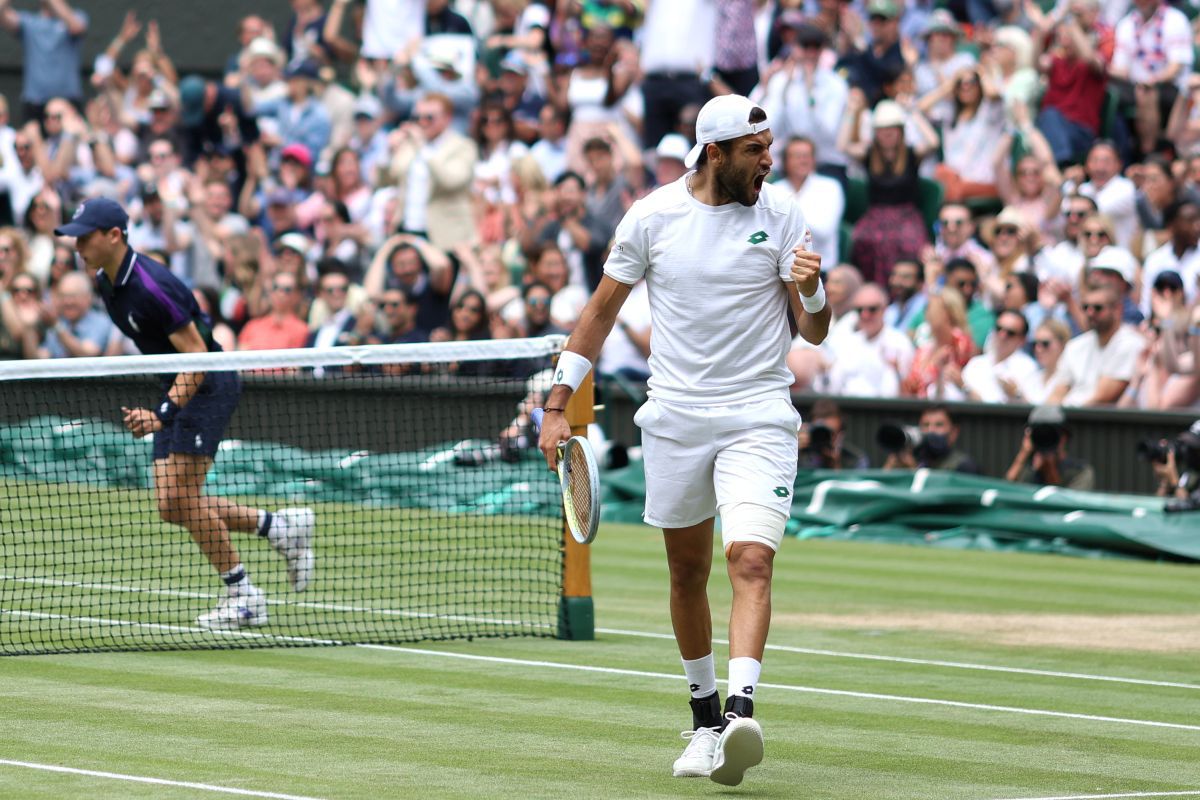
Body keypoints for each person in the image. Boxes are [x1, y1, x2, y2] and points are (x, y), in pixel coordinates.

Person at [537, 95, 830, 787]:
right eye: (755, 150)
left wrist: (815, 292)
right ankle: (704, 721)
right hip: (675, 418)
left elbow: (813, 331)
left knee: (751, 559)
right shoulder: (652, 217)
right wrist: (555, 403)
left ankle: (740, 713)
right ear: (715, 153)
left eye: (770, 147)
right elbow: (599, 314)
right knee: (686, 573)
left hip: (759, 414)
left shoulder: (783, 214)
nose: (769, 161)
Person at [55, 198, 315, 629]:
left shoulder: (152, 287)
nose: (77, 245)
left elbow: (197, 357)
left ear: (114, 236)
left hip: (207, 383)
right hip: (176, 385)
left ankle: (245, 595)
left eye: (85, 237)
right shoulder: (105, 282)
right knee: (170, 505)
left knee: (180, 499)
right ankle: (279, 528)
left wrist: (162, 413)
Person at [1005, 404, 1096, 490]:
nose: (1045, 438)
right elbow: (1006, 492)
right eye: (1040, 434)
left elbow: (1069, 500)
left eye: (1051, 435)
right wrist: (1023, 454)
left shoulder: (1080, 472)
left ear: (1064, 437)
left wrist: (1050, 470)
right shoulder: (1026, 469)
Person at [882, 404, 981, 473]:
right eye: (926, 425)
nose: (931, 430)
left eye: (939, 425)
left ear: (954, 432)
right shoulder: (914, 457)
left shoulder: (964, 466)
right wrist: (890, 470)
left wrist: (913, 471)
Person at [798, 398, 870, 470]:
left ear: (841, 434)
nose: (823, 438)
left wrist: (835, 465)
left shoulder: (855, 460)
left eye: (831, 433)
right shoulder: (799, 453)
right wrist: (794, 448)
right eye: (819, 433)